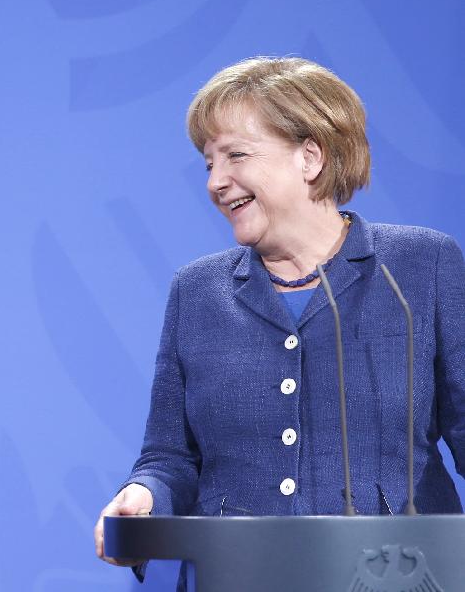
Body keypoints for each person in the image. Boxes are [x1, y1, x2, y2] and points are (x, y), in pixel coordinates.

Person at [94, 56, 465, 583]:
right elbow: (169, 456)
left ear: (310, 157)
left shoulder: (420, 266)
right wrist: (143, 495)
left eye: (235, 156)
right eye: (208, 164)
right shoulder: (197, 292)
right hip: (238, 577)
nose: (216, 182)